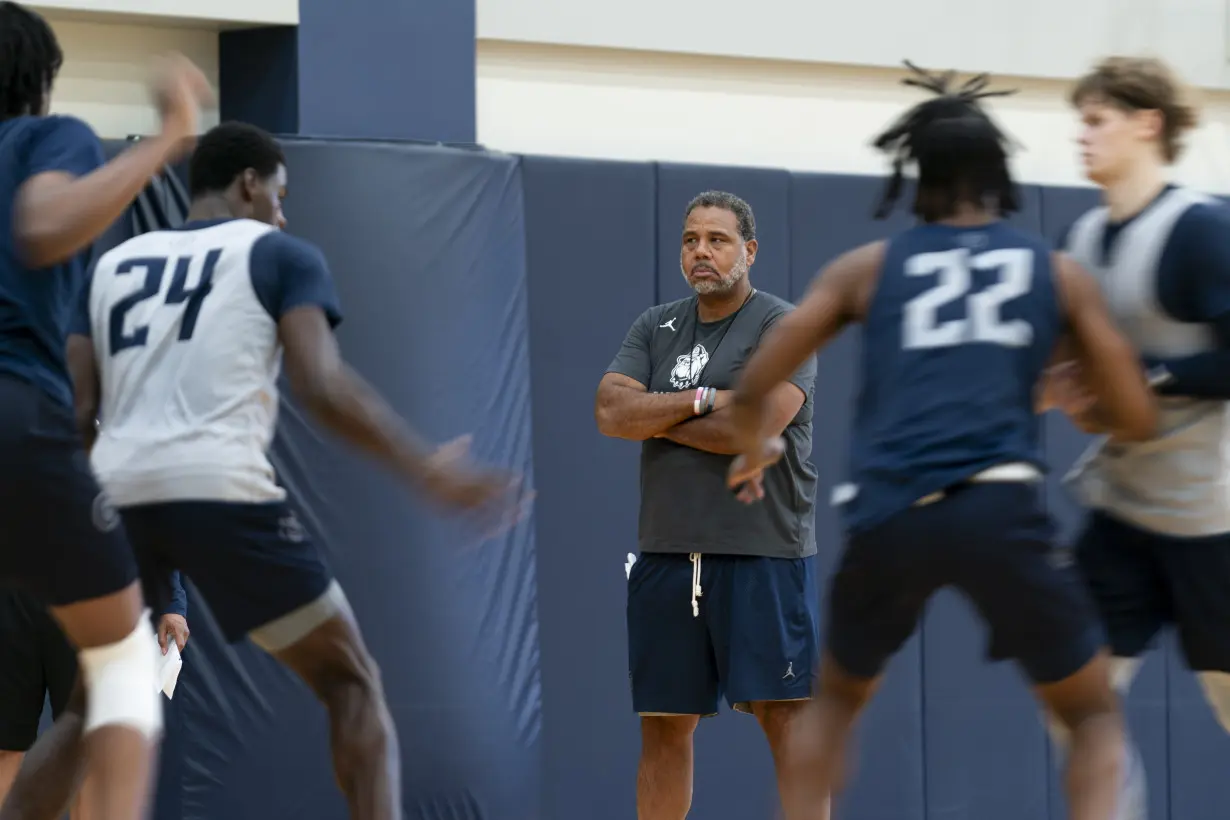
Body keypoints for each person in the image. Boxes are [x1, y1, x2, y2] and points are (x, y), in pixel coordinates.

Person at [724, 62, 1161, 820]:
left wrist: (755, 443)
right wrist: (1076, 396)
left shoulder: (865, 269)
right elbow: (1136, 417)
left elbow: (757, 383)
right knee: (1091, 714)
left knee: (833, 701)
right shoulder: (1055, 273)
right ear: (998, 172)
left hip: (890, 514)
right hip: (1000, 510)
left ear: (917, 174)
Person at [65, 120, 527, 820]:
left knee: (86, 708)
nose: (283, 211)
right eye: (280, 194)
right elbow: (323, 385)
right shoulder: (279, 253)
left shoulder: (112, 266)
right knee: (351, 682)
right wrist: (426, 469)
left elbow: (77, 411)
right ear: (250, 183)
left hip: (117, 494)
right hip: (220, 491)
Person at [0, 3, 213, 818]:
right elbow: (44, 223)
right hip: (21, 430)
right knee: (123, 669)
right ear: (41, 84)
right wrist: (167, 136)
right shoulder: (42, 142)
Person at [1041, 55, 1230, 819]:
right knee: (1072, 695)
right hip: (1124, 507)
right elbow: (1072, 373)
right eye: (1079, 122)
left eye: (1097, 120)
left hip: (1211, 516)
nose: (1082, 137)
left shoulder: (1199, 230)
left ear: (1148, 123)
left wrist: (1143, 378)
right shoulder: (1081, 237)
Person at [594, 190, 821, 820]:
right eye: (691, 239)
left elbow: (753, 428)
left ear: (748, 251)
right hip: (667, 555)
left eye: (717, 240)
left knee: (788, 722)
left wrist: (655, 415)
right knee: (664, 728)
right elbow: (610, 412)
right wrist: (705, 400)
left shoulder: (783, 326)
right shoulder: (655, 324)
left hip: (762, 554)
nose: (701, 252)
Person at [0, 581, 190, 820]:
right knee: (4, 746)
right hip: (9, 586)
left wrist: (172, 600)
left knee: (89, 752)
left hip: (89, 587)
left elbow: (164, 542)